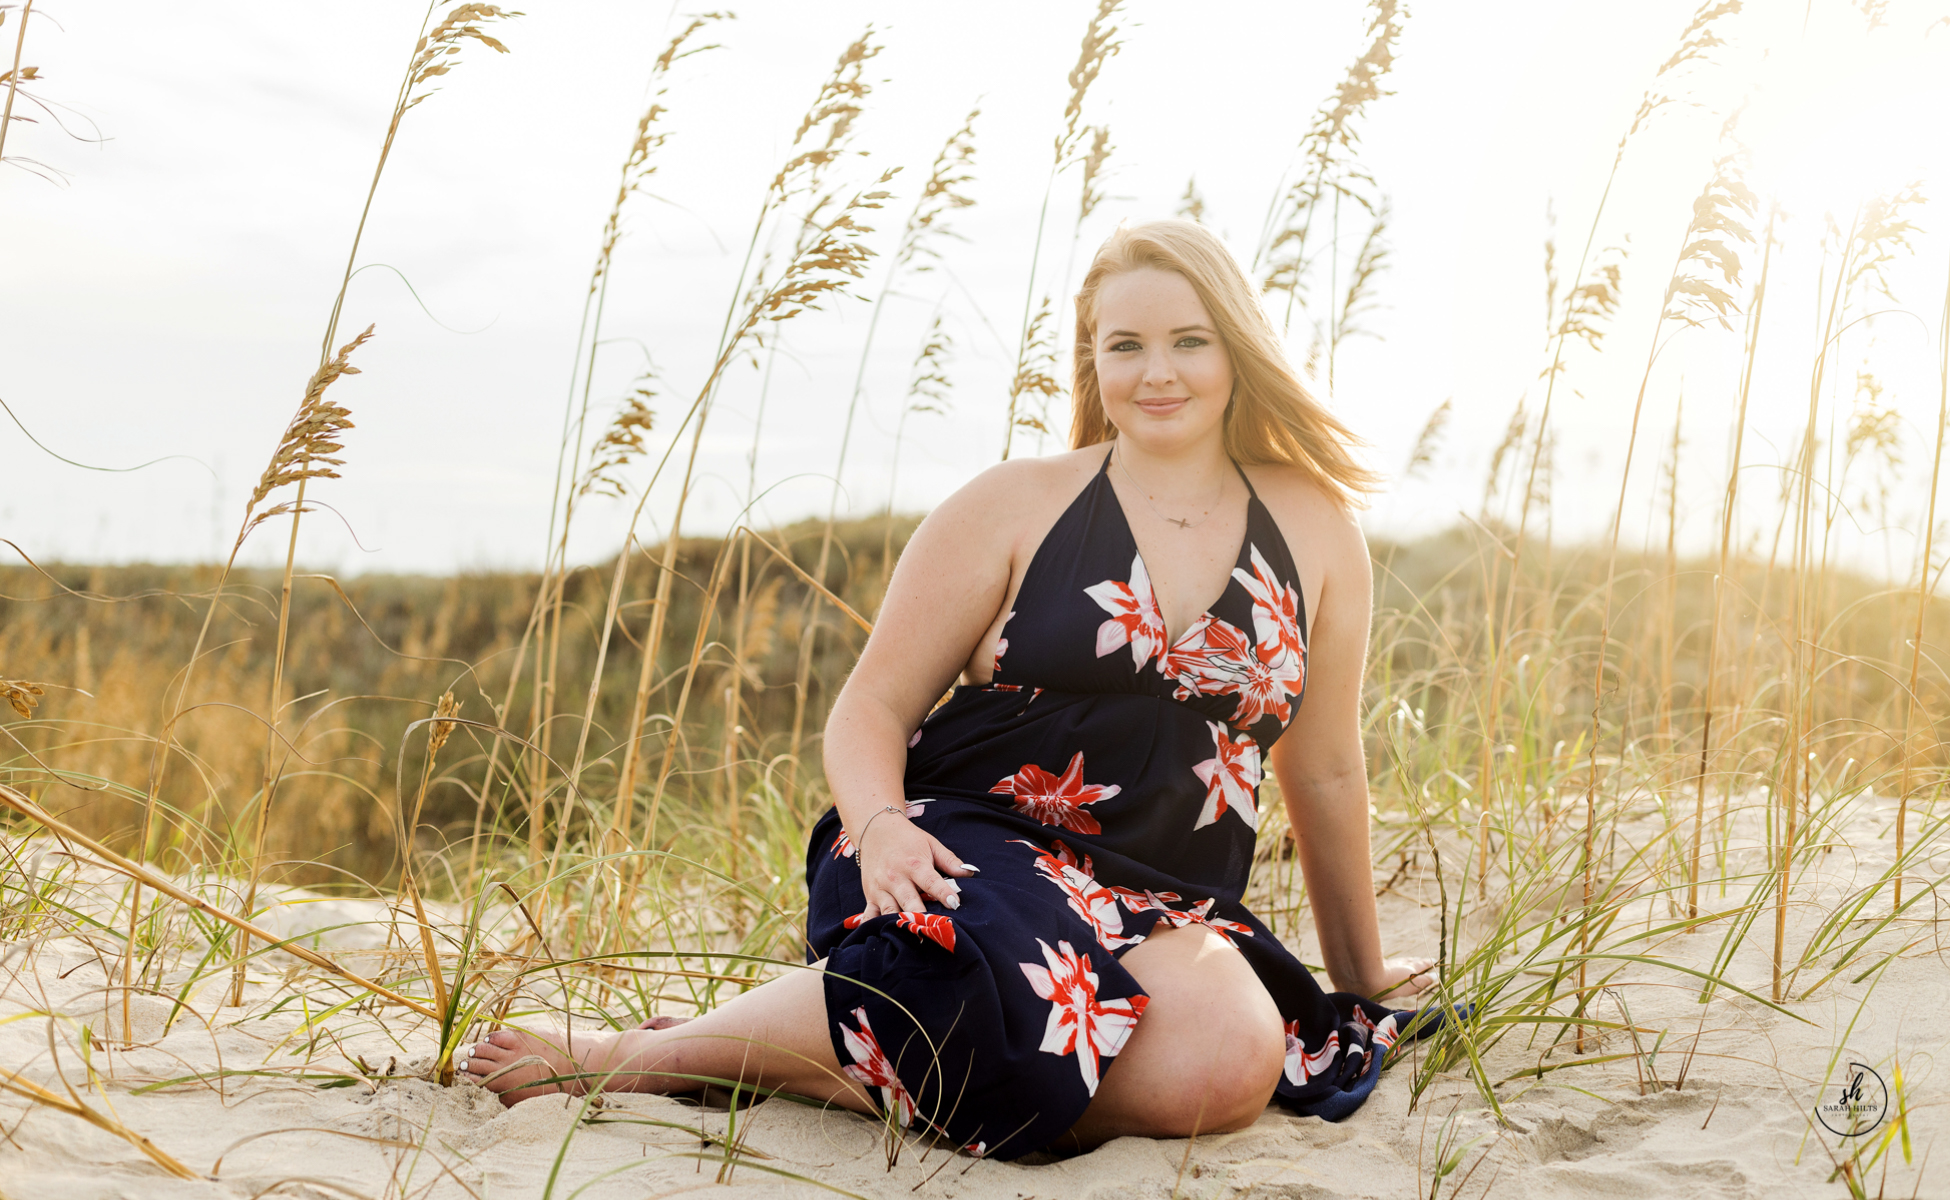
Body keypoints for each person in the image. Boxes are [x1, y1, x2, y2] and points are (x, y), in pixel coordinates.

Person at [461, 218, 1442, 1159]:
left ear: (1237, 348)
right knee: (1000, 966)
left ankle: (830, 1062)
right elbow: (872, 708)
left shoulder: (1316, 528)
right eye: (1125, 344)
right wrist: (882, 826)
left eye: (1189, 340)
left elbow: (1323, 773)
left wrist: (1360, 975)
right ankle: (648, 1058)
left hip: (1163, 896)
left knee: (1230, 1060)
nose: (1157, 372)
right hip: (968, 839)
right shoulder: (1013, 505)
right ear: (1091, 358)